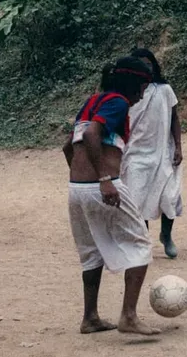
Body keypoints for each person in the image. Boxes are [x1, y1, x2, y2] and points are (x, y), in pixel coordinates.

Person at [64, 57, 160, 336]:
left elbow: (68, 145)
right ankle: (128, 316)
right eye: (142, 87)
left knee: (91, 252)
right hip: (101, 185)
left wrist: (80, 177)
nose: (142, 95)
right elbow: (94, 133)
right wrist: (104, 179)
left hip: (77, 188)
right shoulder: (118, 103)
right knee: (140, 242)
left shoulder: (93, 100)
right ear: (132, 84)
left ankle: (90, 317)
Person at [124, 46, 184, 258]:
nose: (146, 69)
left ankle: (166, 236)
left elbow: (174, 118)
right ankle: (143, 242)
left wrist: (178, 146)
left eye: (149, 65)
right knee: (138, 200)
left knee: (169, 195)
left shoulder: (164, 90)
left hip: (163, 152)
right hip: (136, 154)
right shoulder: (128, 94)